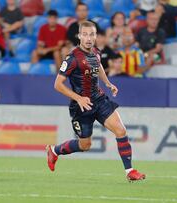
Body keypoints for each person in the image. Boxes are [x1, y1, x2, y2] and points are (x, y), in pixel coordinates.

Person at [47, 21, 146, 182]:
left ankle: (130, 171)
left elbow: (98, 66)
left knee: (121, 130)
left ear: (96, 36)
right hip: (81, 106)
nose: (88, 38)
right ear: (79, 36)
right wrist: (78, 98)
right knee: (85, 145)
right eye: (85, 34)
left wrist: (107, 83)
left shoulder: (96, 52)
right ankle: (54, 150)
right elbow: (57, 84)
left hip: (99, 99)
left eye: (91, 34)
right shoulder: (72, 58)